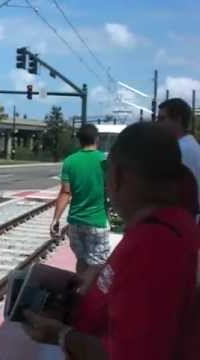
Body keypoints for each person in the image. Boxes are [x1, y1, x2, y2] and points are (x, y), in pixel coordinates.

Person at [23, 122, 200, 360]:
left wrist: (61, 335)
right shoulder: (174, 223)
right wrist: (102, 278)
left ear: (117, 176)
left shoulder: (151, 247)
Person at [51, 124, 109, 274]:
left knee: (81, 261)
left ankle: (78, 292)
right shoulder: (104, 160)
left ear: (79, 141)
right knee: (97, 266)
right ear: (97, 139)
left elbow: (65, 193)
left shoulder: (70, 161)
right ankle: (87, 294)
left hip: (75, 223)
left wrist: (55, 219)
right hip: (97, 221)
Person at [158, 98, 200, 213]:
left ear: (178, 119)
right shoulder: (189, 146)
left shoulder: (182, 150)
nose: (158, 124)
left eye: (162, 119)